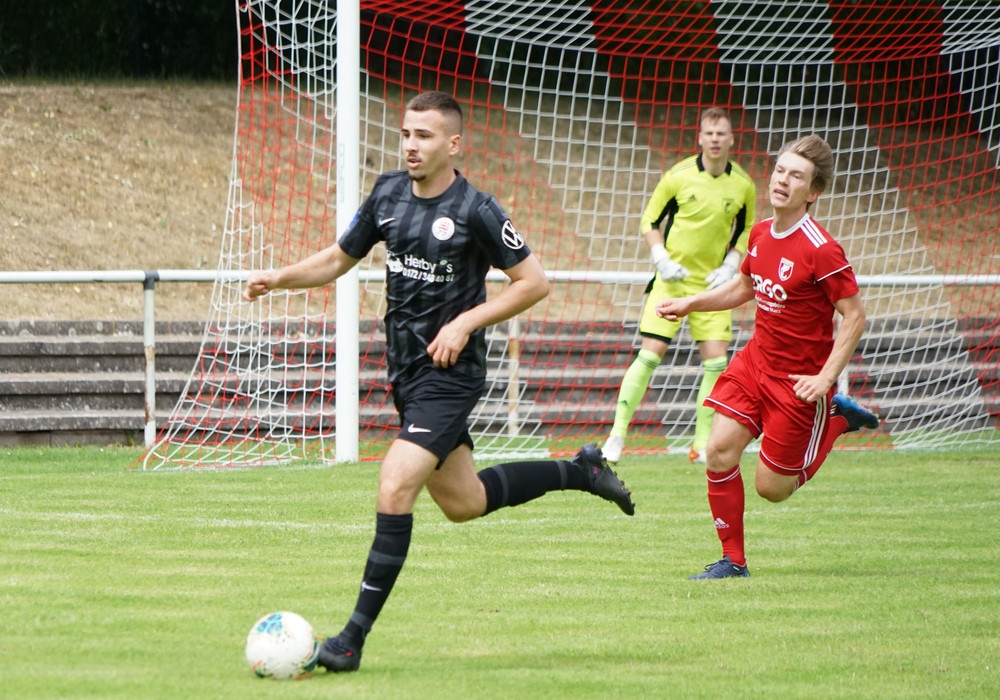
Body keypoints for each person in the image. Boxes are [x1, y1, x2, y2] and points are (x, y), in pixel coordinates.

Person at [243, 91, 635, 671]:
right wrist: (280, 277)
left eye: (423, 136)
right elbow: (337, 258)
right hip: (406, 374)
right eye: (406, 133)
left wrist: (465, 322)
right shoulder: (387, 194)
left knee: (394, 484)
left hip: (450, 377)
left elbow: (534, 283)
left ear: (453, 144)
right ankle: (580, 471)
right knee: (462, 501)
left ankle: (350, 641)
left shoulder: (478, 210)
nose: (410, 145)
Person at [656, 134, 879, 579]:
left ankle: (836, 419)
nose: (782, 180)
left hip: (798, 383)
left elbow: (854, 316)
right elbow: (744, 287)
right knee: (718, 451)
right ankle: (733, 562)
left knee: (772, 489)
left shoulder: (821, 249)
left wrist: (825, 379)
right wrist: (691, 303)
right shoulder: (759, 233)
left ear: (813, 192)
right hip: (755, 364)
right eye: (780, 170)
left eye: (796, 176)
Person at [602, 107, 756, 465]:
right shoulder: (677, 176)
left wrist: (732, 263)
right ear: (700, 138)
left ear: (731, 139)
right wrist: (661, 258)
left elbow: (748, 228)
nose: (715, 139)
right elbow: (649, 219)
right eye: (709, 133)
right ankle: (616, 436)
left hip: (713, 287)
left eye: (721, 133)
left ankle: (700, 445)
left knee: (716, 363)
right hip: (671, 283)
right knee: (649, 355)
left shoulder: (743, 185)